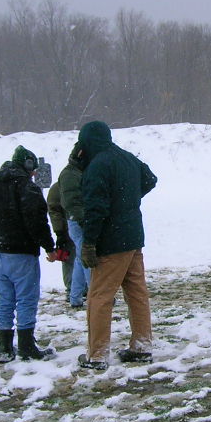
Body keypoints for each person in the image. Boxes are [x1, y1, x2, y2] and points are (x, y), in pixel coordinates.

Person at [75, 121, 158, 369]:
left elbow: (95, 209)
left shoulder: (97, 166)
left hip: (111, 242)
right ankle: (141, 346)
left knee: (99, 297)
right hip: (133, 238)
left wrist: (89, 242)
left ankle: (97, 355)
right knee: (137, 293)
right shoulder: (127, 158)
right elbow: (150, 179)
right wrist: (127, 200)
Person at [0, 145, 58, 362]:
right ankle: (26, 345)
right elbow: (37, 221)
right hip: (22, 253)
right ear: (27, 165)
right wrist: (49, 247)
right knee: (26, 299)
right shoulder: (27, 187)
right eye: (33, 168)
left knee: (4, 300)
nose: (34, 172)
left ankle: (5, 348)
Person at [57, 142, 90, 309]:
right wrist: (82, 219)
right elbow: (72, 202)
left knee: (80, 258)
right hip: (78, 221)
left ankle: (75, 296)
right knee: (87, 259)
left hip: (76, 220)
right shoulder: (70, 174)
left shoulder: (73, 172)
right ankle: (94, 294)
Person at [46, 180, 76, 301]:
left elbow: (54, 212)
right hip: (74, 227)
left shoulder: (57, 187)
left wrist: (60, 232)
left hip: (67, 229)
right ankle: (77, 290)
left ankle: (72, 290)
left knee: (69, 260)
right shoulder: (82, 181)